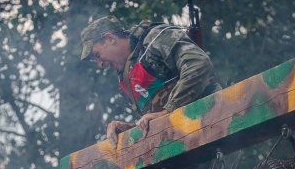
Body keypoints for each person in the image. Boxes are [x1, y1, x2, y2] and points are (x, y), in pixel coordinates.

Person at [80, 15, 221, 147]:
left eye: (97, 55)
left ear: (110, 38)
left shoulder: (155, 38)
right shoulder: (126, 76)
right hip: (178, 143)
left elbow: (198, 64)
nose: (100, 64)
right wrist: (131, 129)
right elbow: (156, 117)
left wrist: (167, 110)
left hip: (212, 126)